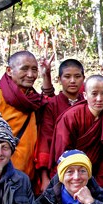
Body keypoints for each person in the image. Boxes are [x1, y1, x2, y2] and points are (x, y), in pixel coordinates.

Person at [0, 50, 53, 180]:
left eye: (34, 70)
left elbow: (51, 107)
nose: (30, 74)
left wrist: (46, 76)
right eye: (24, 69)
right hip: (0, 175)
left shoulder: (33, 100)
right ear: (9, 71)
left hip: (25, 177)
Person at [49, 75, 103, 204]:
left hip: (97, 178)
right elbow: (62, 153)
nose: (99, 99)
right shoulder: (71, 117)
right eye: (94, 94)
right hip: (71, 175)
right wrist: (76, 179)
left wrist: (98, 186)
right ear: (85, 95)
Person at [36, 59, 85, 192]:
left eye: (77, 76)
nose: (73, 81)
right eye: (67, 77)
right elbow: (45, 140)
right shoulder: (52, 105)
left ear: (83, 78)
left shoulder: (88, 104)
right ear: (59, 79)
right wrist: (44, 177)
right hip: (58, 168)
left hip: (85, 168)